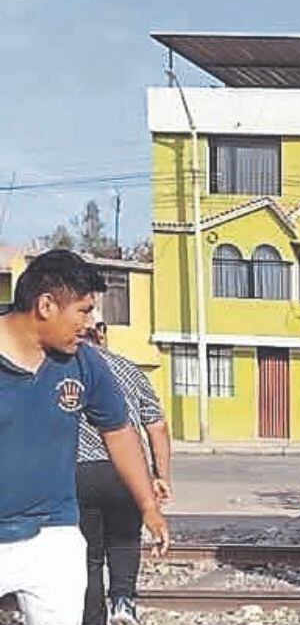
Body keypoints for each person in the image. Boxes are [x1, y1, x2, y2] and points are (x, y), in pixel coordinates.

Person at [0, 250, 169, 625]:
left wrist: (148, 507)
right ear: (46, 305)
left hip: (53, 532)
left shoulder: (83, 361)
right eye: (84, 310)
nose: (91, 323)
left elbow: (119, 431)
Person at [77, 315, 172, 625]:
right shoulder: (131, 371)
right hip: (127, 471)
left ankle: (92, 617)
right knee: (124, 539)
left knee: (89, 554)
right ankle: (123, 603)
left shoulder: (64, 368)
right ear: (102, 334)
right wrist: (160, 477)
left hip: (79, 472)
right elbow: (156, 426)